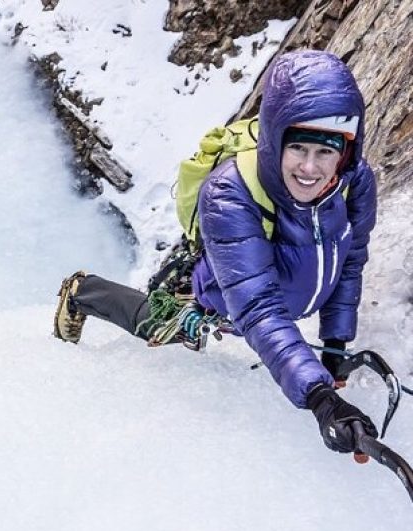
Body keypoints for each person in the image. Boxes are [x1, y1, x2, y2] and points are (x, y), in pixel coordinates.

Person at [53, 50, 379, 454]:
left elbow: (351, 260)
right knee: (154, 326)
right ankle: (82, 291)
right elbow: (257, 305)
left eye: (325, 152)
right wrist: (318, 395)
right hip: (218, 301)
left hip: (268, 307)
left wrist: (335, 345)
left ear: (345, 153)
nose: (310, 168)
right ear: (276, 141)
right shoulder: (230, 192)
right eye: (299, 148)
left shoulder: (353, 181)